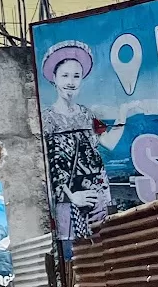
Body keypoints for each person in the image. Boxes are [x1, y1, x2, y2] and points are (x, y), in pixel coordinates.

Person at [40, 39, 111, 257]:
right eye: (65, 76)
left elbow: (99, 155)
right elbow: (52, 167)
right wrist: (72, 196)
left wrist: (103, 197)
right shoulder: (48, 119)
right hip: (68, 204)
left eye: (76, 76)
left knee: (104, 252)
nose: (71, 82)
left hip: (96, 198)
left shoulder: (87, 115)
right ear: (54, 79)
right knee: (75, 260)